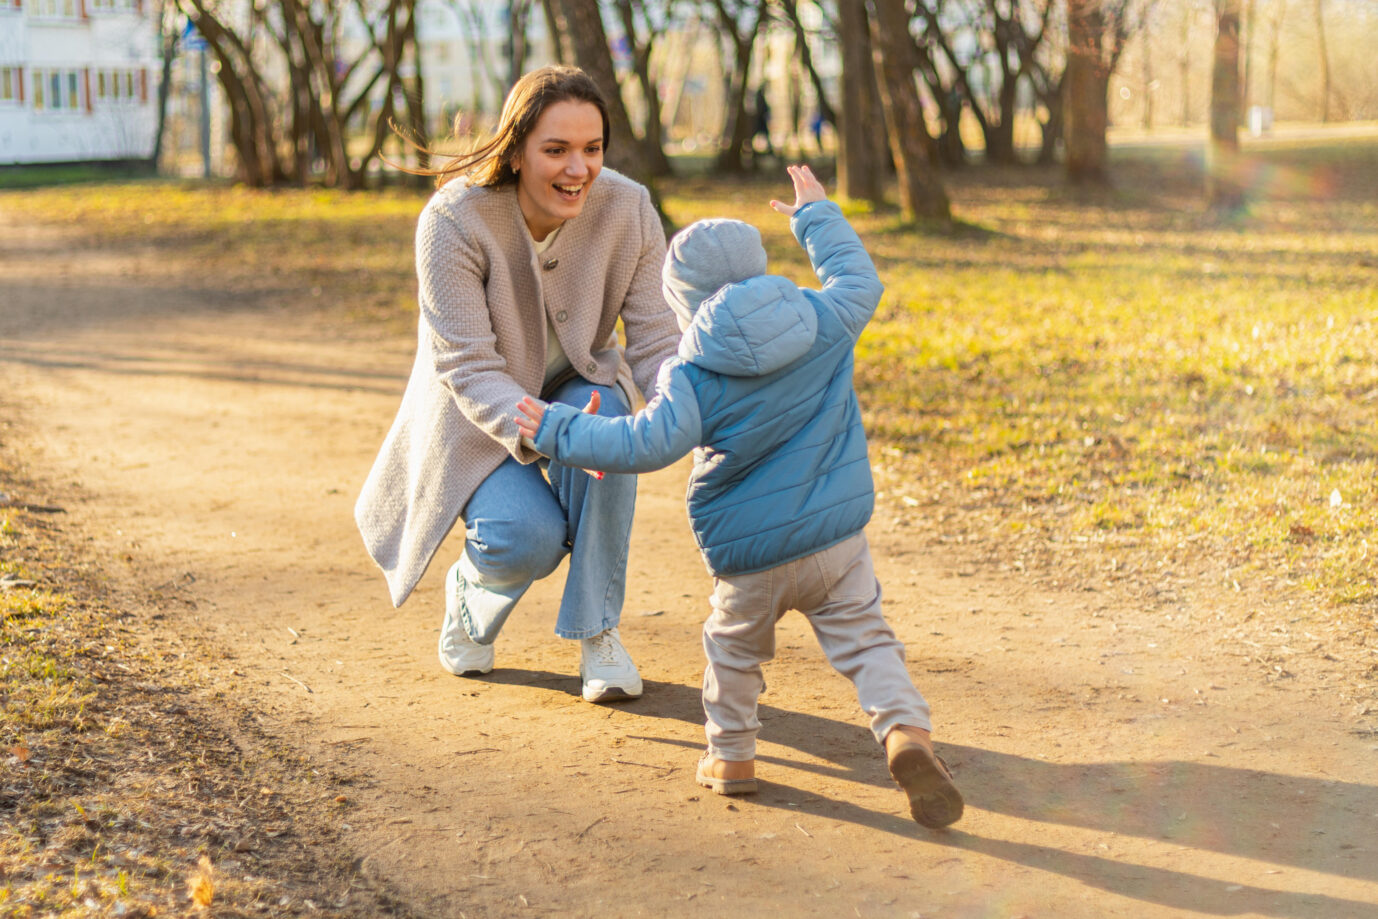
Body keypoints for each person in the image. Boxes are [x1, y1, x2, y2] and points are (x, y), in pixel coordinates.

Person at [514, 165, 964, 828]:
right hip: (836, 541)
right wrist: (815, 215)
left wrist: (557, 426)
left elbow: (640, 445)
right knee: (868, 642)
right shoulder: (823, 316)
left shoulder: (691, 375)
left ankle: (730, 758)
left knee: (733, 650)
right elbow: (860, 280)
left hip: (748, 555)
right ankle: (904, 734)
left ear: (683, 302)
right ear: (758, 266)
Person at [355, 65, 681, 703]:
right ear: (516, 150)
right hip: (478, 411)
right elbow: (469, 367)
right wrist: (554, 431)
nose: (578, 169)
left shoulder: (629, 207)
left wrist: (681, 405)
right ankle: (470, 602)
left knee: (612, 435)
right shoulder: (454, 220)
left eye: (592, 149)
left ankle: (599, 634)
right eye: (556, 150)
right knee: (523, 539)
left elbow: (657, 338)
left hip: (579, 382)